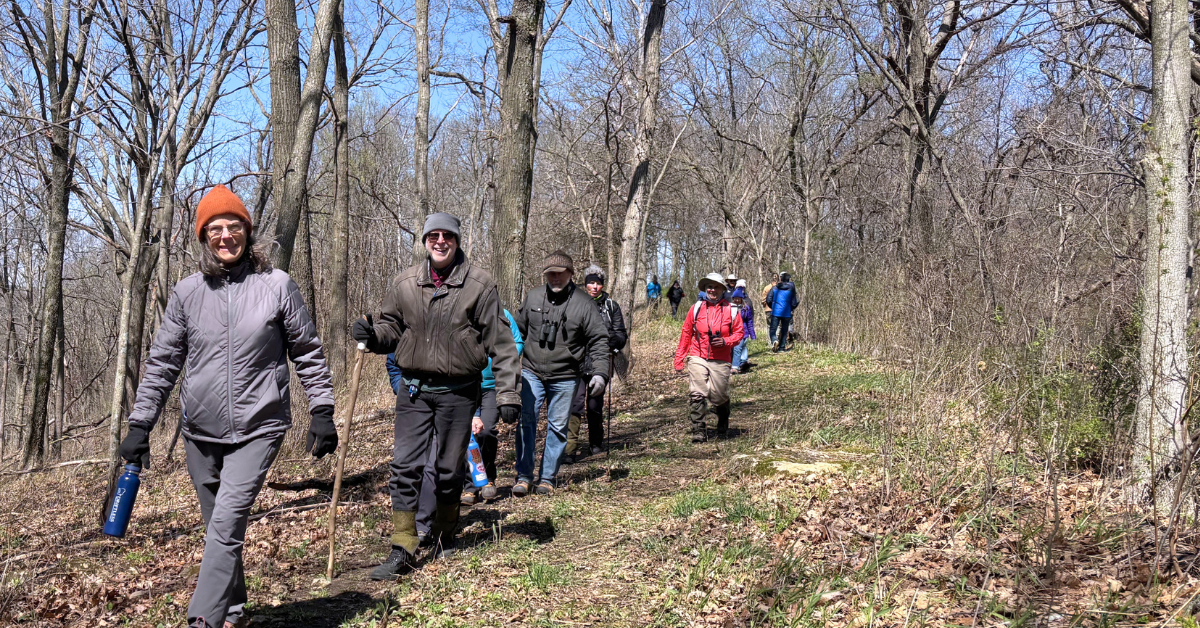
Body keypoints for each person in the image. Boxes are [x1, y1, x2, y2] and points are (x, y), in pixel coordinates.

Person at [121, 185, 337, 628]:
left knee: (226, 523)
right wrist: (141, 424)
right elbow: (163, 363)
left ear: (247, 231)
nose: (225, 236)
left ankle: (203, 619)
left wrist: (322, 409)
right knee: (218, 528)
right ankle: (233, 611)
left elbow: (308, 351)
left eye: (233, 226)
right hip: (200, 432)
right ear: (204, 237)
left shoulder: (276, 286)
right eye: (215, 228)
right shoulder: (186, 293)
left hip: (260, 425)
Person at [352, 212, 521, 579]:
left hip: (459, 393)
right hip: (413, 391)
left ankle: (445, 532)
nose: (440, 241)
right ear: (425, 241)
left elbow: (503, 344)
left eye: (447, 236)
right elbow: (390, 329)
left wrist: (508, 393)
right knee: (406, 468)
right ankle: (403, 546)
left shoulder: (480, 285)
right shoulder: (405, 283)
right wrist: (370, 334)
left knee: (447, 471)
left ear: (457, 241)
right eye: (433, 236)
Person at [515, 251, 610, 496]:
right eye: (550, 274)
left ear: (570, 274)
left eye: (560, 273)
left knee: (558, 427)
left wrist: (600, 372)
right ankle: (524, 476)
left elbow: (599, 339)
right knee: (526, 423)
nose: (555, 278)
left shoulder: (583, 303)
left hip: (567, 375)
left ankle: (547, 478)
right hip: (532, 372)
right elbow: (516, 332)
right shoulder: (533, 296)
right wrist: (508, 365)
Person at [565, 265, 627, 464]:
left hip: (601, 360)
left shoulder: (611, 306)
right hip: (577, 361)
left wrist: (611, 343)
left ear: (603, 285)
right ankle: (570, 449)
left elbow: (620, 334)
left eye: (598, 283)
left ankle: (596, 443)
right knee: (575, 403)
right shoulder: (575, 303)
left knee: (594, 404)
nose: (594, 286)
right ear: (585, 284)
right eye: (591, 282)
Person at [675, 273, 744, 442]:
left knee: (717, 395)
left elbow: (739, 334)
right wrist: (680, 357)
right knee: (697, 393)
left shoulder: (732, 310)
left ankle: (722, 423)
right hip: (698, 355)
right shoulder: (696, 308)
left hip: (721, 359)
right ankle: (698, 431)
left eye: (716, 287)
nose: (712, 290)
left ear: (722, 289)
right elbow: (686, 332)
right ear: (705, 289)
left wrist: (725, 341)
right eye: (709, 287)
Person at [766, 272, 799, 352]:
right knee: (784, 330)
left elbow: (768, 299)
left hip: (776, 312)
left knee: (773, 330)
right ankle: (782, 348)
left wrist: (773, 307)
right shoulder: (791, 289)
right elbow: (795, 302)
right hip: (786, 313)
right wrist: (790, 308)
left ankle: (774, 340)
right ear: (788, 279)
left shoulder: (774, 288)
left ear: (780, 279)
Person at [730, 284, 756, 373]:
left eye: (738, 298)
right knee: (736, 349)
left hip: (743, 332)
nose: (737, 300)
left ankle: (735, 367)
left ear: (741, 299)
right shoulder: (729, 308)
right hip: (732, 332)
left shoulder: (746, 308)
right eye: (735, 298)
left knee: (738, 348)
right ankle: (740, 364)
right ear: (733, 299)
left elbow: (749, 322)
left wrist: (752, 334)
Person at [761, 273, 779, 341]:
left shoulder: (767, 287)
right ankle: (775, 340)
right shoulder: (780, 287)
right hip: (777, 310)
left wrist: (765, 306)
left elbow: (763, 300)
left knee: (770, 326)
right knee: (777, 326)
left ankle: (772, 341)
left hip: (768, 309)